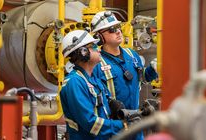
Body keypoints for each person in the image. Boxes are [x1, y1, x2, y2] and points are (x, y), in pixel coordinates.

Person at [91, 11, 158, 140]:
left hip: (135, 125)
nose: (118, 32)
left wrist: (151, 70)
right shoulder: (97, 63)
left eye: (118, 27)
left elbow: (141, 79)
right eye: (111, 29)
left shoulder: (132, 55)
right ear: (100, 37)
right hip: (114, 128)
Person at [60, 30, 124, 140]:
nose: (98, 49)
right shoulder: (74, 83)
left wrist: (126, 113)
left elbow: (105, 106)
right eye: (93, 46)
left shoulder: (94, 80)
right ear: (83, 52)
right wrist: (123, 125)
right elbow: (90, 123)